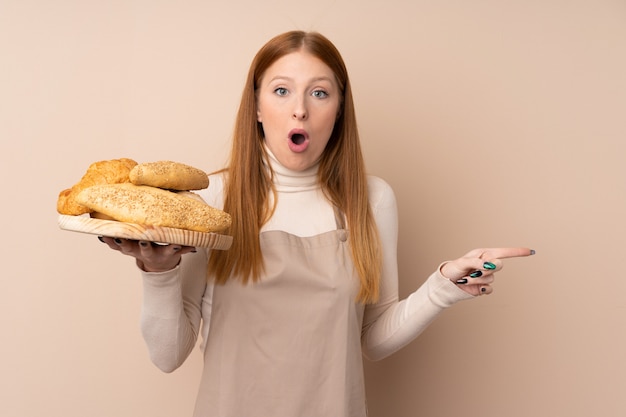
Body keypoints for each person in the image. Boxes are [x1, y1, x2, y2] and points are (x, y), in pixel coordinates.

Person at [98, 31, 534, 417]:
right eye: (282, 90)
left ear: (340, 109)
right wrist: (158, 273)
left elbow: (374, 338)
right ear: (256, 106)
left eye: (319, 93)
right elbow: (168, 355)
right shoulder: (213, 198)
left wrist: (443, 288)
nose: (300, 110)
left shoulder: (371, 199)